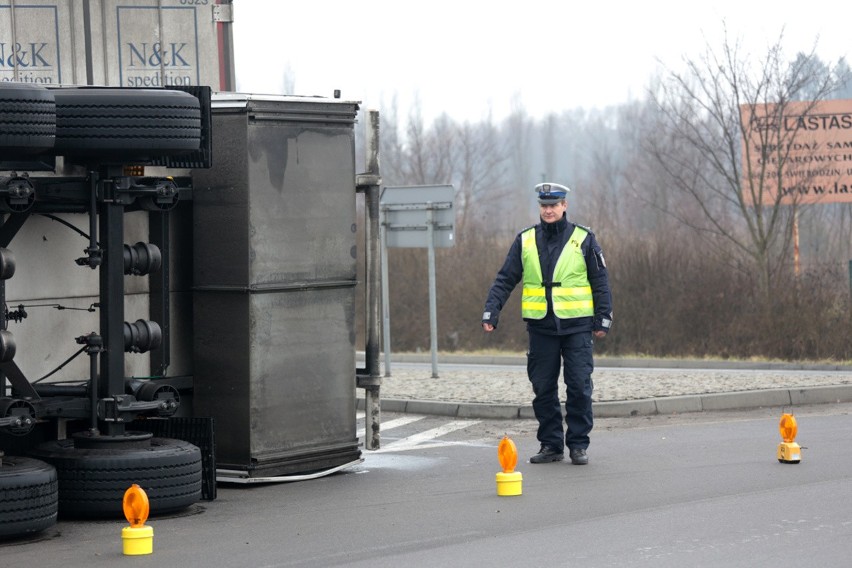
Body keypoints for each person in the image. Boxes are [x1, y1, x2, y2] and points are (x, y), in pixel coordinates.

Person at [482, 182, 612, 465]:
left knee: (578, 386)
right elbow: (506, 278)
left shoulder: (584, 238)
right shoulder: (526, 239)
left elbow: (599, 281)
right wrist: (491, 310)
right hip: (541, 327)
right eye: (544, 206)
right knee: (543, 387)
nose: (549, 210)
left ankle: (578, 445)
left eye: (554, 205)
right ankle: (551, 444)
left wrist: (604, 317)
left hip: (577, 326)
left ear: (564, 206)